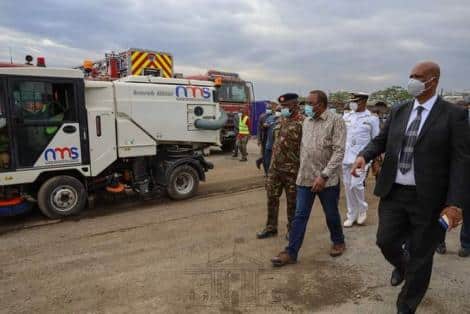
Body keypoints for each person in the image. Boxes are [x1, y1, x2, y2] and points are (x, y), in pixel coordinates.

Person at [351, 61, 470, 314]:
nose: (412, 81)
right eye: (410, 76)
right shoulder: (399, 110)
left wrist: (455, 203)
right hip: (394, 192)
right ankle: (402, 265)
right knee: (385, 240)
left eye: (417, 76)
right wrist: (364, 155)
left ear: (433, 80)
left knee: (421, 254)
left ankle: (406, 306)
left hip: (429, 199)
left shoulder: (453, 115)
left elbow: (461, 161)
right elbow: (381, 141)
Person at [271, 90, 347, 266]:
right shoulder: (307, 122)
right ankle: (291, 252)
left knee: (331, 213)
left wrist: (324, 175)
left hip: (326, 180)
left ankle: (338, 241)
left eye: (310, 103)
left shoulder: (336, 121)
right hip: (305, 177)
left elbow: (339, 151)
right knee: (300, 215)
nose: (307, 106)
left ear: (321, 104)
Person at [256, 93, 303, 239]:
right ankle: (271, 227)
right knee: (271, 198)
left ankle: (292, 230)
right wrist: (263, 158)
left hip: (292, 170)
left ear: (295, 105)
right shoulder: (280, 120)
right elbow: (273, 143)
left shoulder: (304, 123)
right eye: (282, 106)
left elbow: (306, 149)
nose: (283, 108)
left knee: (292, 203)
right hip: (275, 168)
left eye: (286, 106)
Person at [435, 99, 470, 257]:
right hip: (448, 175)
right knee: (445, 208)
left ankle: (466, 244)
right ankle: (440, 242)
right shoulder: (445, 127)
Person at [342, 92, 380, 227]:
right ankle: (351, 214)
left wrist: (375, 161)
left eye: (356, 101)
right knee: (347, 186)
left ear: (363, 101)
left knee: (356, 184)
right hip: (346, 157)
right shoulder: (346, 116)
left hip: (361, 157)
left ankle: (362, 209)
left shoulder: (372, 119)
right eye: (351, 100)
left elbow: (376, 141)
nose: (352, 103)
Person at [263, 105, 281, 175]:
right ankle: (267, 173)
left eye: (279, 111)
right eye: (277, 110)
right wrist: (265, 125)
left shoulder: (284, 119)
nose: (278, 112)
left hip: (277, 146)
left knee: (276, 162)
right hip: (269, 144)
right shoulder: (270, 118)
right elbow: (264, 125)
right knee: (267, 160)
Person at [256, 102, 275, 172]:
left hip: (273, 138)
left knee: (271, 155)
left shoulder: (276, 116)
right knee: (265, 155)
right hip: (265, 138)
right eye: (267, 108)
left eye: (270, 108)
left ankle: (260, 161)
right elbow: (259, 129)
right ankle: (266, 171)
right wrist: (258, 139)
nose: (268, 109)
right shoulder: (262, 116)